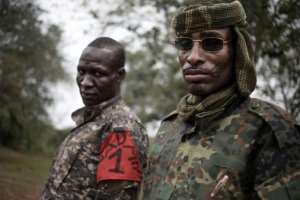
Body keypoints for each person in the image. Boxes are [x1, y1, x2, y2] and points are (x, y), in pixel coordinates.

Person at [144, 0, 300, 199]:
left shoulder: (269, 129)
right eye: (185, 44)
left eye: (212, 43)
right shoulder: (169, 127)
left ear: (237, 51)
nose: (193, 57)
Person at [41, 37, 149, 200]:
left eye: (97, 73)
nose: (85, 82)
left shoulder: (121, 128)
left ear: (119, 76)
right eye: (81, 72)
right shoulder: (91, 119)